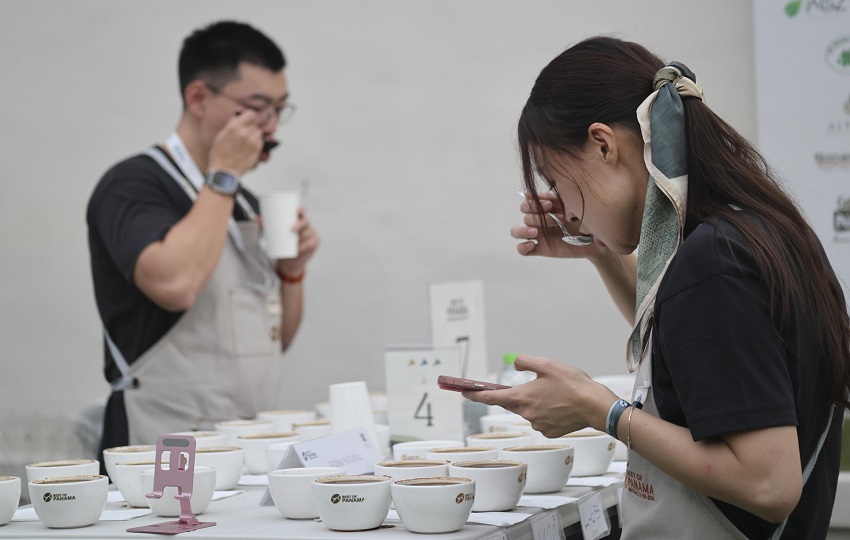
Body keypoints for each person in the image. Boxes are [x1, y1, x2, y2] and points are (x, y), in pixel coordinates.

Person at [463, 36, 849, 539]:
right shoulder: (751, 230)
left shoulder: (713, 262)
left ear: (603, 145)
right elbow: (691, 351)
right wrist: (601, 253)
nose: (565, 208)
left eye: (557, 181)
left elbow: (768, 486)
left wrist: (600, 409)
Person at [87, 21, 319, 456]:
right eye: (257, 108)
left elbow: (274, 340)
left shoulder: (242, 202)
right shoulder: (133, 185)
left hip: (245, 443)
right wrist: (225, 173)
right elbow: (175, 285)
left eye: (279, 109)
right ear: (198, 97)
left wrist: (292, 274)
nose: (271, 128)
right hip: (158, 446)